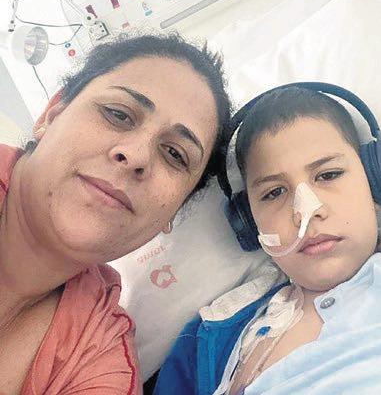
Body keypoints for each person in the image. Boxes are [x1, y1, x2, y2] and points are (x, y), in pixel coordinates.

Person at [155, 86, 381, 394]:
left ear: (375, 182)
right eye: (274, 192)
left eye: (328, 175)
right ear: (249, 222)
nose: (306, 213)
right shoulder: (205, 342)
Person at [0, 32, 232, 394]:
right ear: (51, 114)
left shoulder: (103, 357)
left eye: (175, 154)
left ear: (175, 211)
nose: (136, 156)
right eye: (118, 114)